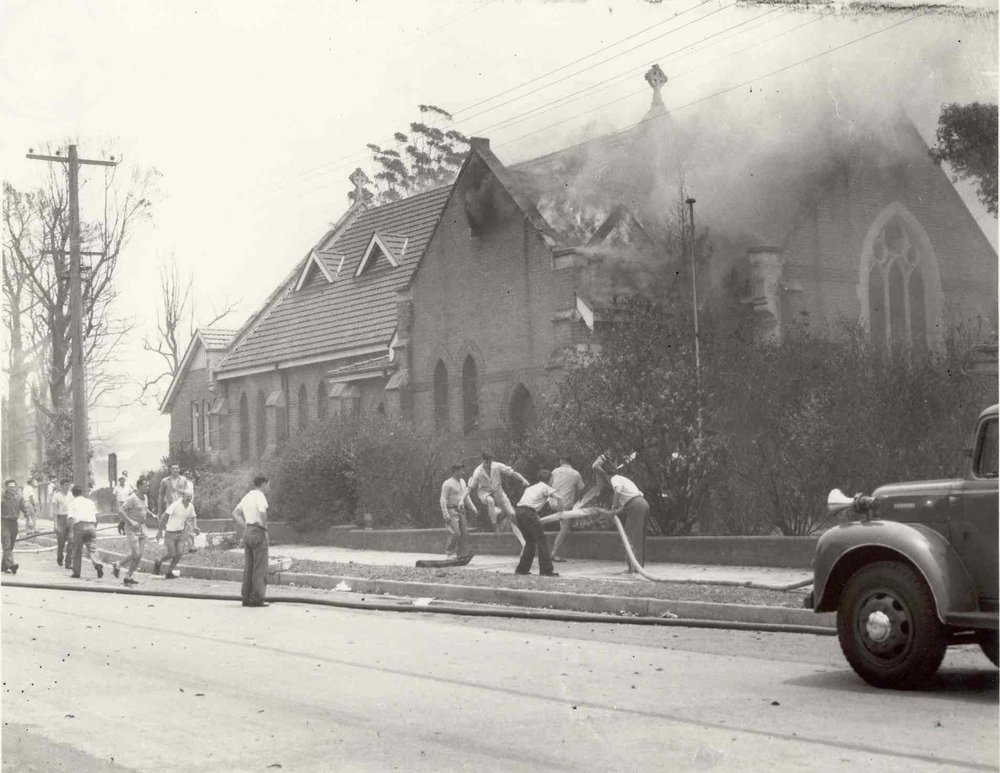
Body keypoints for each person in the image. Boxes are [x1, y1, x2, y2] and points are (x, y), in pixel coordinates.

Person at [595, 456, 650, 571]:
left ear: (606, 475)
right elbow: (626, 504)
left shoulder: (615, 479)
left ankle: (634, 567)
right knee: (637, 537)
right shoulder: (622, 479)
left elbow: (618, 491)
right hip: (642, 504)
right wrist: (613, 513)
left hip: (636, 505)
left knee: (631, 536)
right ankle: (636, 566)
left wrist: (613, 508)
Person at [469, 452, 527, 548]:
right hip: (485, 494)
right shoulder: (477, 471)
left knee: (512, 515)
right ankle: (495, 526)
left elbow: (512, 473)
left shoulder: (496, 466)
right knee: (491, 501)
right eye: (487, 462)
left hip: (499, 493)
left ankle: (523, 542)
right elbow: (470, 487)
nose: (489, 464)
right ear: (482, 460)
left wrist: (523, 479)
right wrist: (462, 499)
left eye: (490, 462)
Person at [513, 469, 561, 577]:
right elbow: (559, 497)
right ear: (550, 479)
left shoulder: (531, 488)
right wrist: (562, 510)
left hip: (519, 512)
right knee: (541, 541)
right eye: (552, 479)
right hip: (529, 513)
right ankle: (546, 570)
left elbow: (530, 503)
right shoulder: (546, 487)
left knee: (530, 542)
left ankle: (522, 569)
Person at [232, 475, 270, 607]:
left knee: (249, 567)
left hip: (247, 532)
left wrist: (245, 526)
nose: (268, 487)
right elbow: (262, 512)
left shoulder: (247, 496)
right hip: (258, 531)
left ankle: (246, 597)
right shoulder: (260, 496)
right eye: (268, 484)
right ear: (264, 484)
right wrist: (263, 527)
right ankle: (258, 598)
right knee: (260, 566)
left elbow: (235, 513)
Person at [115, 476, 152, 586]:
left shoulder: (145, 497)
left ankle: (128, 576)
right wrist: (131, 521)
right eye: (146, 485)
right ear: (139, 486)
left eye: (148, 485)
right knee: (135, 553)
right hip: (131, 528)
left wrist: (152, 514)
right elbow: (120, 511)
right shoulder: (132, 498)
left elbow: (145, 509)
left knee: (139, 555)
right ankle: (118, 563)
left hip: (142, 528)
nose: (148, 487)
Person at [549, 455, 585, 562]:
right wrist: (576, 501)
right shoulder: (575, 473)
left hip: (552, 502)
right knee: (564, 529)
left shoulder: (554, 471)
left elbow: (548, 485)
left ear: (561, 460)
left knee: (563, 523)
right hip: (565, 505)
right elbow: (581, 489)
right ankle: (553, 554)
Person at [154, 491, 199, 578]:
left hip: (181, 533)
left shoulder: (190, 506)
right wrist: (159, 531)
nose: (189, 498)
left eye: (191, 496)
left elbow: (193, 516)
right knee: (172, 554)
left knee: (179, 553)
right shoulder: (175, 504)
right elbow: (164, 516)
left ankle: (169, 572)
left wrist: (195, 526)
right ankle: (159, 561)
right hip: (170, 533)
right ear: (183, 496)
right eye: (187, 496)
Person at [67, 485, 104, 579]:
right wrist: (95, 527)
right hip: (91, 525)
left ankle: (76, 572)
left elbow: (71, 518)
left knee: (77, 550)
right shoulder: (90, 502)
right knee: (93, 548)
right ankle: (98, 564)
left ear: (73, 494)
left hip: (79, 526)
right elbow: (96, 516)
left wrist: (71, 532)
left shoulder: (72, 503)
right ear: (82, 493)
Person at [439, 464, 475, 557]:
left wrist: (473, 508)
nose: (463, 472)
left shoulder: (463, 482)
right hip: (451, 510)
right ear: (455, 471)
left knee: (464, 534)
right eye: (461, 470)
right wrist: (445, 514)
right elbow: (443, 499)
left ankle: (461, 554)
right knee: (455, 533)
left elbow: (466, 497)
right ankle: (450, 553)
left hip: (461, 510)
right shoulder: (447, 483)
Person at [1, 479, 28, 574]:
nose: (12, 488)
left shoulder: (19, 498)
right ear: (6, 487)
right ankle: (12, 565)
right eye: (10, 487)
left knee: (10, 546)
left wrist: (30, 519)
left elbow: (25, 509)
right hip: (4, 523)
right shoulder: (2, 498)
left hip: (14, 524)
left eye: (14, 487)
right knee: (7, 545)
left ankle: (4, 567)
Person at [51, 478, 74, 568]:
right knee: (61, 541)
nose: (67, 487)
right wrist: (55, 524)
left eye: (68, 485)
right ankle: (59, 557)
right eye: (65, 485)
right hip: (60, 519)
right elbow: (54, 511)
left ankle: (68, 562)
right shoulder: (56, 496)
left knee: (71, 541)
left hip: (70, 519)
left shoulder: (72, 495)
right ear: (61, 486)